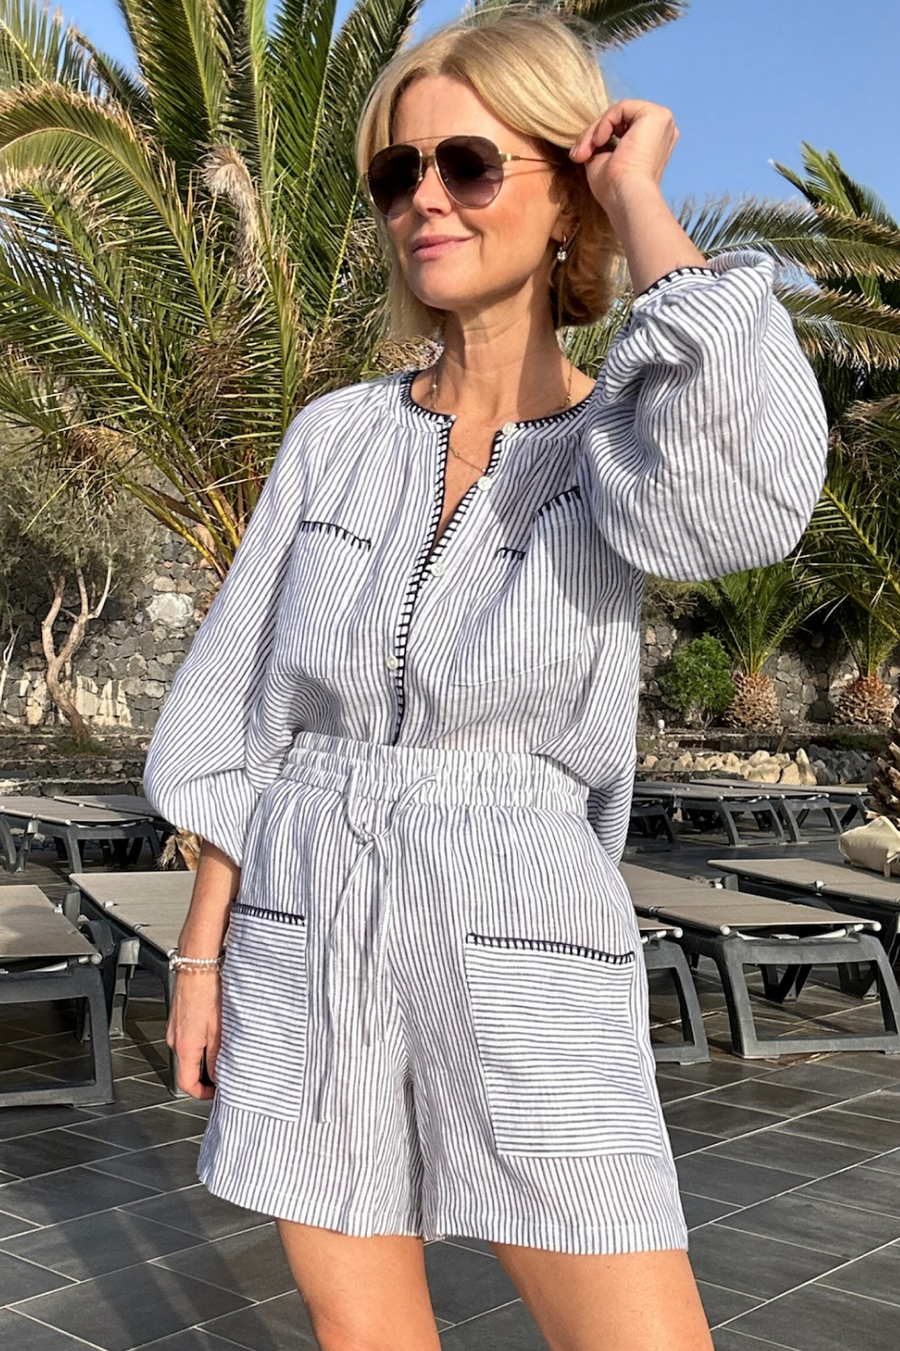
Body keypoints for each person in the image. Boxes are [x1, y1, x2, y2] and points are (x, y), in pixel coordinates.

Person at [143, 11, 828, 1351]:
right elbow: (245, 705)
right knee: (364, 1334)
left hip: (518, 900)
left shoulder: (624, 447)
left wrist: (638, 194)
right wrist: (202, 950)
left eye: (467, 162)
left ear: (563, 190)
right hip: (308, 900)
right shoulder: (334, 438)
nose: (425, 199)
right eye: (395, 173)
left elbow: (743, 490)